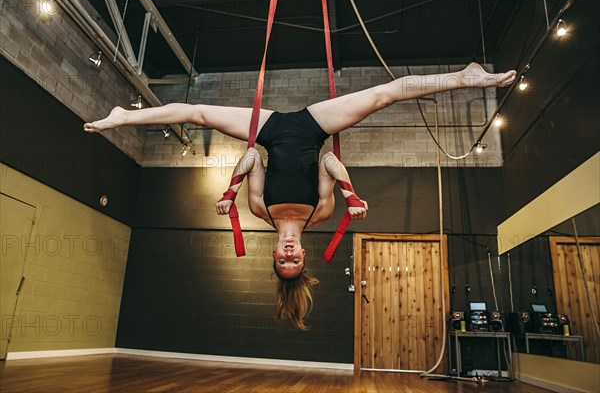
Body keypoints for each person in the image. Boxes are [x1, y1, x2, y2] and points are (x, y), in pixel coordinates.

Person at [84, 62, 516, 329]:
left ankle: (124, 117)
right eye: (296, 260)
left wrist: (229, 193)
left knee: (198, 113)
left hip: (271, 130)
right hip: (312, 128)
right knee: (385, 94)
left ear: (274, 255)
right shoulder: (321, 213)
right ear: (304, 257)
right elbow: (328, 161)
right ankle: (465, 78)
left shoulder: (259, 209)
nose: (289, 253)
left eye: (282, 260)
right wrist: (351, 197)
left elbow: (252, 155)